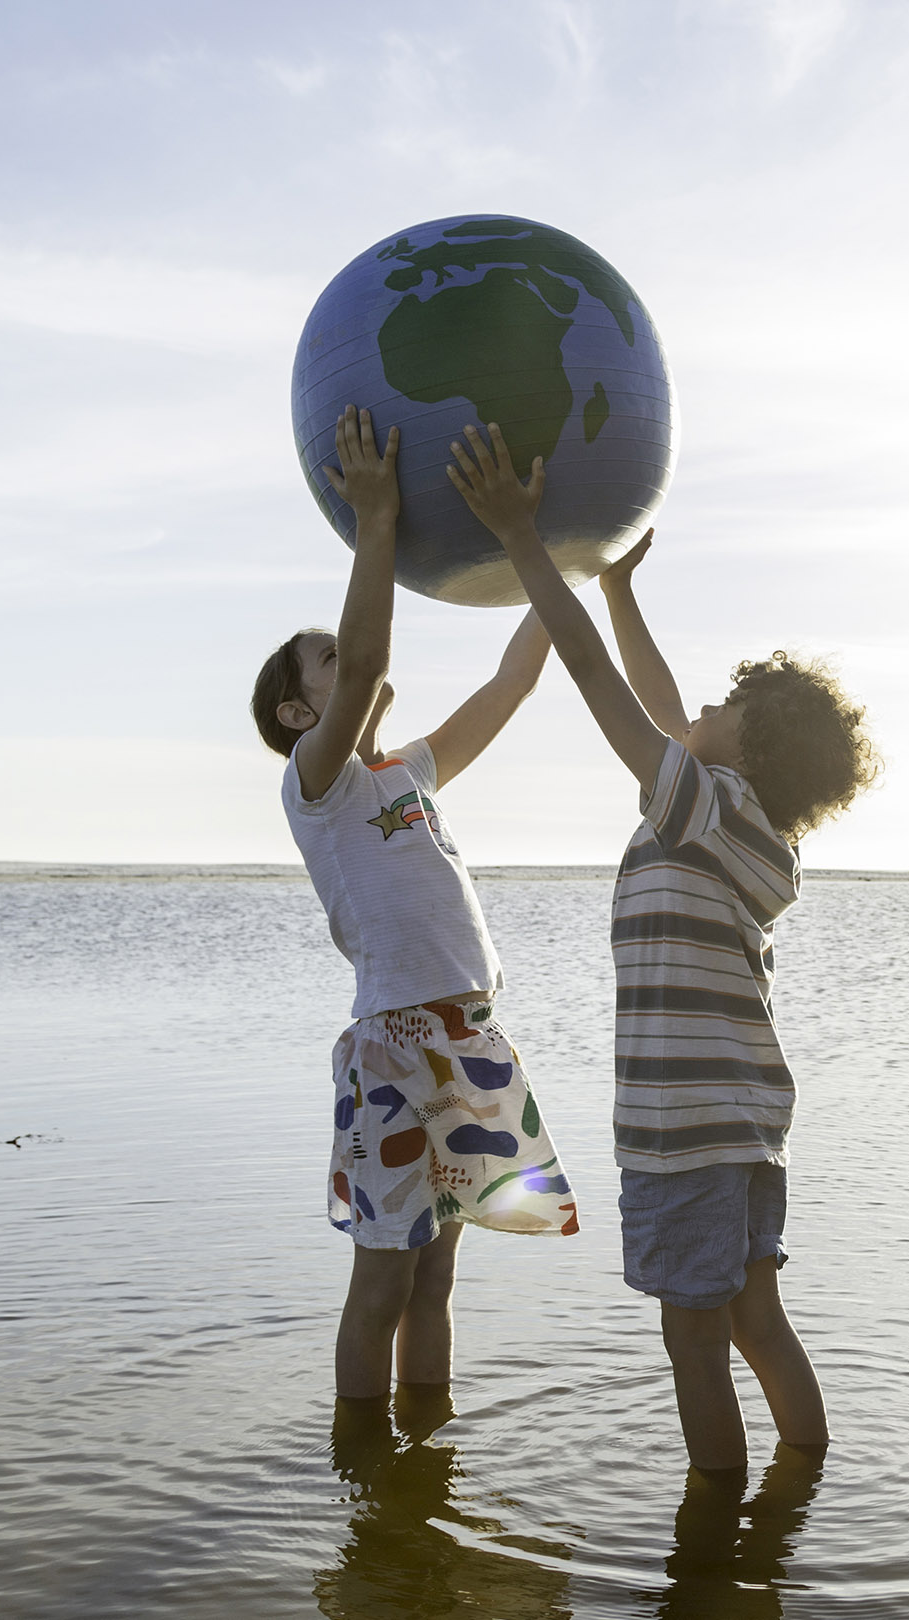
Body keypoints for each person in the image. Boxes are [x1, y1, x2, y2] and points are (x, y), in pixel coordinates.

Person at [445, 423, 879, 1477]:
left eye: (727, 706)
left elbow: (605, 687)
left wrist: (523, 541)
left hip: (685, 1133)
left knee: (694, 1342)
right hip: (742, 1127)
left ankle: (716, 1534)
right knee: (753, 1318)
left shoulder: (705, 808)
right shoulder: (745, 826)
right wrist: (620, 589)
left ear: (751, 751)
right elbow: (655, 696)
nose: (703, 708)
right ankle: (801, 1493)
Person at [252, 406, 580, 1405]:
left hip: (469, 1036)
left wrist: (566, 560)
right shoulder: (320, 784)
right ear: (301, 713)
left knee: (436, 1280)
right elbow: (369, 661)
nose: (349, 660)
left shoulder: (409, 774)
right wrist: (376, 518)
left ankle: (426, 1455)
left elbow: (512, 681)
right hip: (394, 1045)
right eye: (327, 660)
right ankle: (364, 1468)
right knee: (384, 1282)